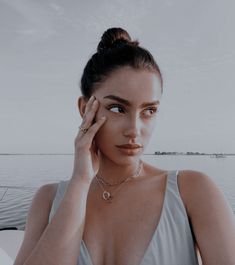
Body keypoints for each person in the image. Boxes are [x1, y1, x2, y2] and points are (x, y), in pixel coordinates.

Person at [13, 27, 235, 265]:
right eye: (118, 108)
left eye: (149, 111)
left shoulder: (194, 192)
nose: (134, 129)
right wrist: (79, 183)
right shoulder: (47, 200)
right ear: (84, 108)